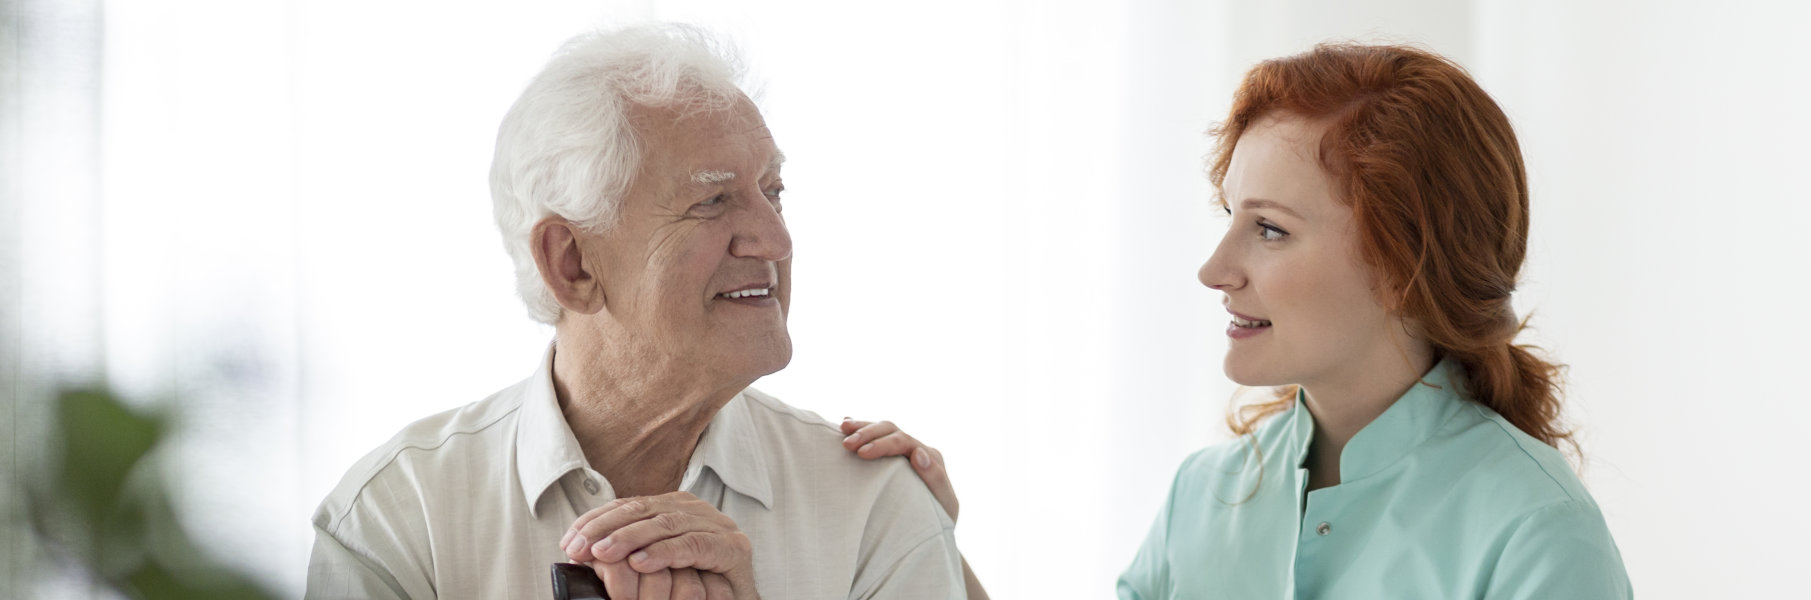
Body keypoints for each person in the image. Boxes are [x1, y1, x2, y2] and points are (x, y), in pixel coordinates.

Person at [842, 43, 1633, 598]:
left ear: (1404, 265)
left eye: (1271, 229)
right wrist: (930, 542)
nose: (1215, 270)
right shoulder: (1208, 494)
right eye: (1230, 218)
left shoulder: (1536, 531)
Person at [304, 24, 965, 600]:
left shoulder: (875, 507)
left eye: (773, 192)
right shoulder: (397, 515)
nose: (776, 241)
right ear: (572, 264)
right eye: (712, 201)